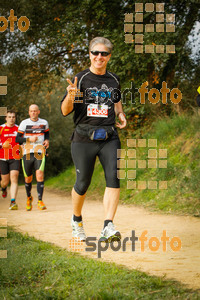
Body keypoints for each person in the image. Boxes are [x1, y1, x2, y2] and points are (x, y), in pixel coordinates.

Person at [61, 37, 127, 242]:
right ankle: (76, 220)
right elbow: (65, 111)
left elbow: (116, 101)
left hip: (109, 136)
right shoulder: (81, 79)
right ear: (90, 54)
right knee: (82, 183)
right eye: (96, 53)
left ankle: (108, 225)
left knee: (113, 179)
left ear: (109, 56)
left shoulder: (113, 80)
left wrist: (121, 113)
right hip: (83, 137)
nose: (100, 57)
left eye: (104, 53)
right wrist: (71, 96)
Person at [16, 104, 49, 211]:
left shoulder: (44, 122)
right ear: (29, 112)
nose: (33, 113)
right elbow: (17, 139)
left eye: (35, 111)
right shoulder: (24, 123)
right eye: (31, 111)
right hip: (27, 152)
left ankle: (40, 200)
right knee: (28, 178)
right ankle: (29, 198)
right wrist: (29, 140)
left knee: (39, 175)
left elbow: (47, 134)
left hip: (39, 151)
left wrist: (47, 140)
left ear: (38, 112)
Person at [0, 110, 20, 210]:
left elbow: (23, 141)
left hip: (15, 157)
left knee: (14, 177)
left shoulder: (19, 129)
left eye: (13, 117)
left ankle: (13, 201)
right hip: (3, 158)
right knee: (5, 181)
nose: (11, 119)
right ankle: (3, 188)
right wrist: (2, 145)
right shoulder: (1, 128)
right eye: (9, 117)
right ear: (6, 118)